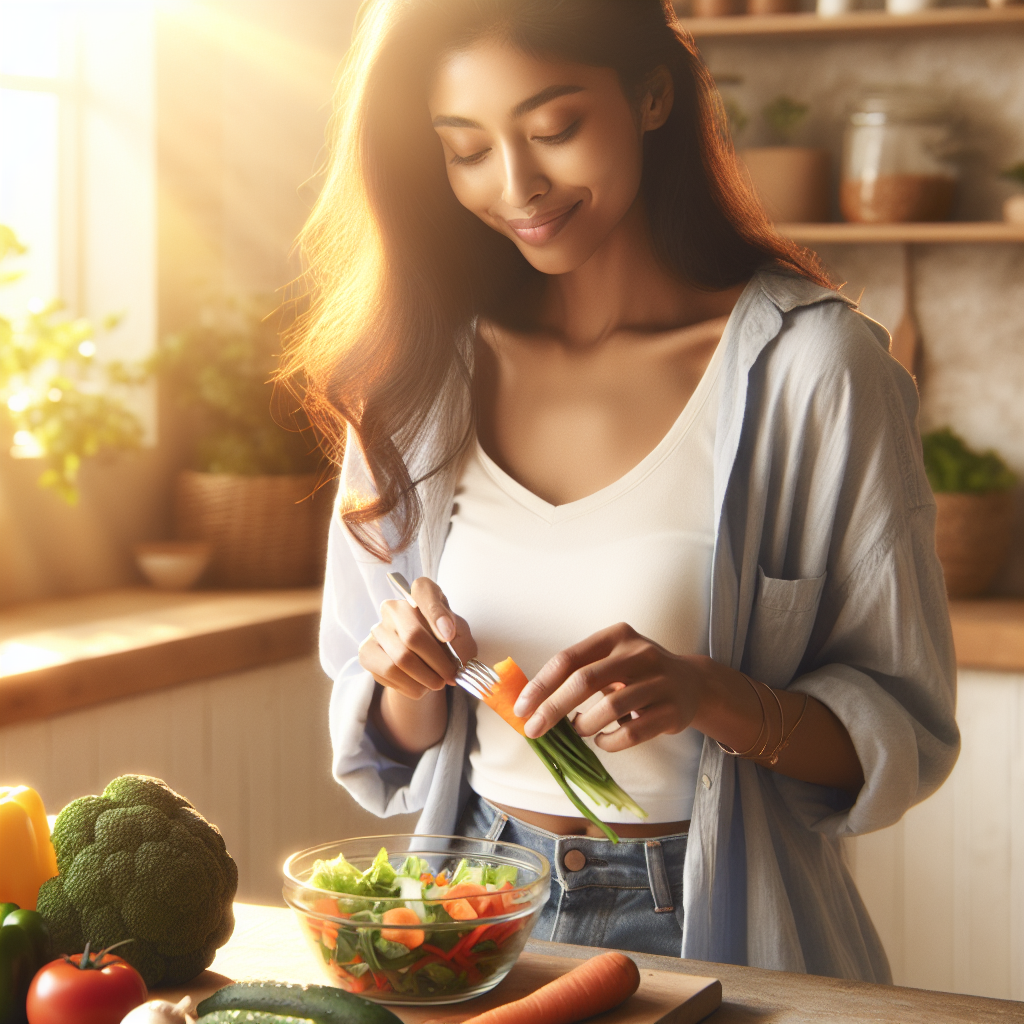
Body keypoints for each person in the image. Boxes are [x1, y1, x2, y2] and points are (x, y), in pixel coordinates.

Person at [283, 0, 959, 981]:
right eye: (465, 147)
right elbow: (390, 747)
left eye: (554, 129)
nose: (515, 185)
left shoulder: (814, 370)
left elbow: (901, 731)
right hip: (476, 907)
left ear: (650, 95)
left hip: (702, 915)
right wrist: (403, 678)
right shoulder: (419, 375)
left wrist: (713, 696)